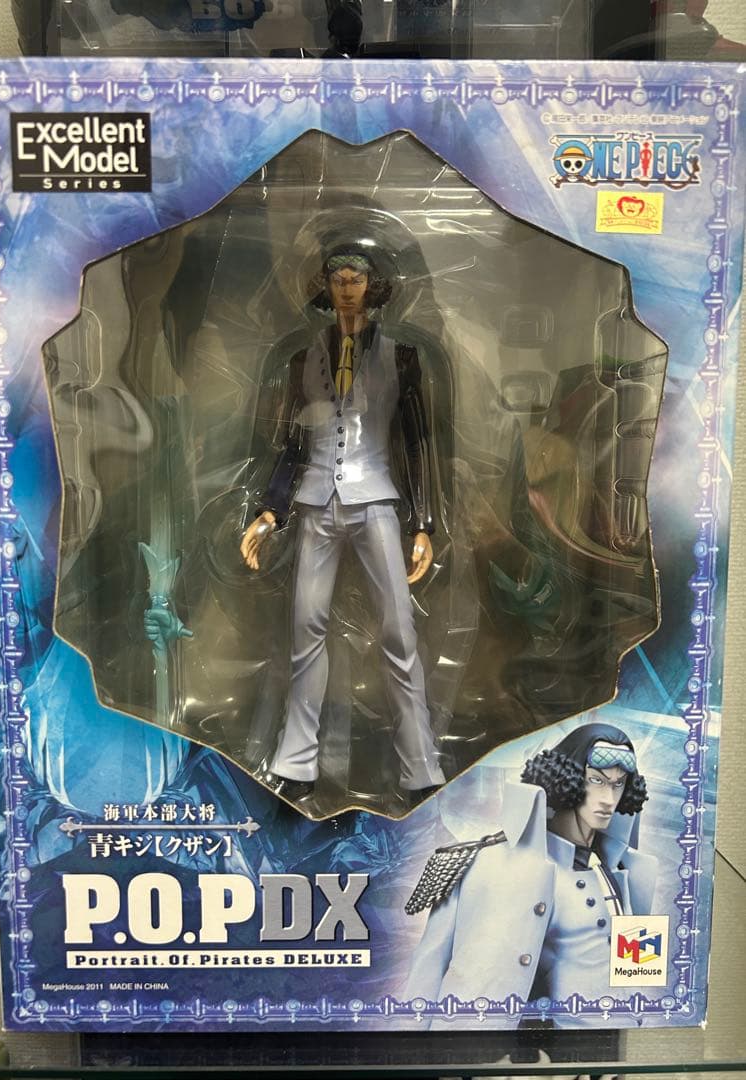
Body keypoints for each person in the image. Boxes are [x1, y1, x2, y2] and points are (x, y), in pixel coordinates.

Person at [240, 245, 445, 805]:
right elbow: (292, 442)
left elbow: (417, 443)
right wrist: (270, 511)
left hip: (375, 499)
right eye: (339, 281)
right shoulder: (302, 358)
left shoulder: (402, 355)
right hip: (315, 504)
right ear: (327, 289)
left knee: (399, 631)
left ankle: (421, 766)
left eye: (356, 280)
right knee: (305, 627)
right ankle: (295, 762)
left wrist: (423, 523)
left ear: (371, 287)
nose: (348, 289)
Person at [404, 722, 657, 1027]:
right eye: (596, 781)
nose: (608, 799)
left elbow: (639, 973)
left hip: (618, 1045)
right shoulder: (489, 863)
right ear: (568, 778)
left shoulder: (628, 872)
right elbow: (429, 969)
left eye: (618, 784)